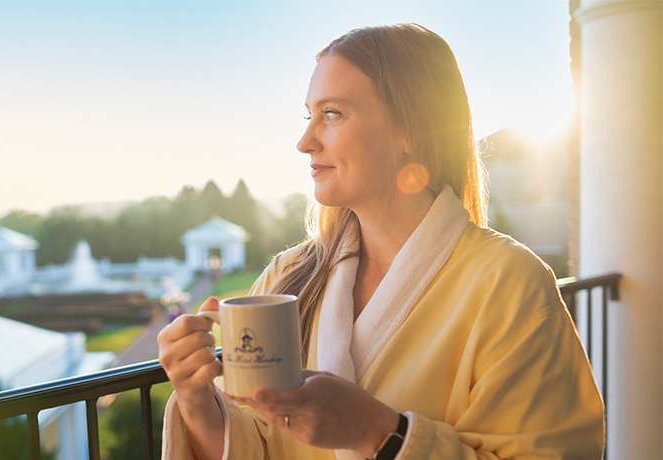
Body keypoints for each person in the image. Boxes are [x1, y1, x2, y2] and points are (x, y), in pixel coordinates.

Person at [157, 24, 604, 460]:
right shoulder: (287, 277)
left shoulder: (508, 284)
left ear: (412, 128)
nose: (304, 141)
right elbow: (256, 445)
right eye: (308, 115)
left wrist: (380, 434)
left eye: (332, 114)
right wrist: (196, 398)